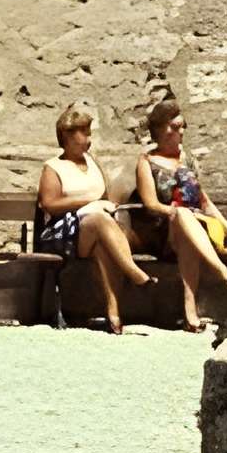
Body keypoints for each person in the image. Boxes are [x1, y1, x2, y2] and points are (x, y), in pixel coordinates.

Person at [35, 100, 154, 334]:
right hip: (61, 232)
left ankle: (113, 313)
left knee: (102, 241)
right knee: (99, 222)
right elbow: (49, 204)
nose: (89, 140)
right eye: (84, 134)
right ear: (67, 136)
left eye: (89, 134)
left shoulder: (92, 162)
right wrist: (87, 202)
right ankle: (132, 271)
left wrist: (106, 204)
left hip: (91, 231)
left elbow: (104, 195)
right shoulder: (53, 167)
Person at [134, 98, 227, 333]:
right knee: (181, 216)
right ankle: (220, 269)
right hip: (163, 230)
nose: (182, 132)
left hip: (193, 229)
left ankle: (191, 314)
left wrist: (225, 224)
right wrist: (175, 211)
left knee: (187, 230)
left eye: (183, 127)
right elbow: (150, 203)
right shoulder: (146, 162)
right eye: (176, 127)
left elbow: (203, 200)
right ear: (162, 131)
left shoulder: (187, 159)